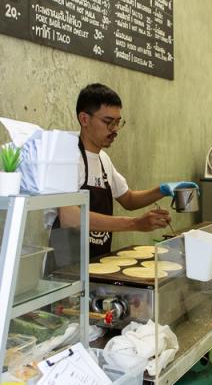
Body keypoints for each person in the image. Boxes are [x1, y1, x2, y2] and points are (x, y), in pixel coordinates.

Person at [51, 83, 197, 260]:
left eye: (117, 122)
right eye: (108, 122)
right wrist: (135, 223)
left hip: (97, 260)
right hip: (66, 267)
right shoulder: (67, 156)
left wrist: (163, 190)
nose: (114, 129)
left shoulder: (103, 159)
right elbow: (70, 218)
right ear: (84, 119)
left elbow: (128, 199)